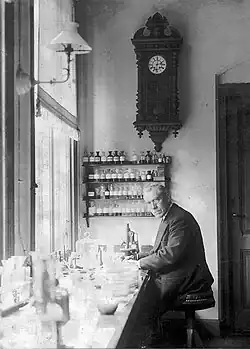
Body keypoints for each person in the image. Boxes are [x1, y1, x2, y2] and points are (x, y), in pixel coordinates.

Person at [137, 183, 214, 344]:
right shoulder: (170, 216)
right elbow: (161, 249)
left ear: (167, 197)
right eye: (149, 202)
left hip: (190, 279)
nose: (153, 206)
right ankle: (153, 339)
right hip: (181, 275)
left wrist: (139, 264)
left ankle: (150, 342)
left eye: (157, 200)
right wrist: (138, 257)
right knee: (142, 296)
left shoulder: (179, 219)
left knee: (141, 302)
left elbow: (170, 254)